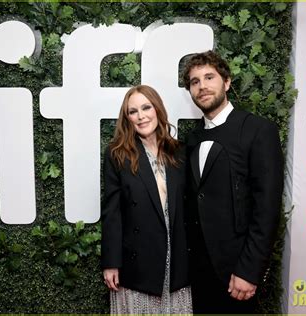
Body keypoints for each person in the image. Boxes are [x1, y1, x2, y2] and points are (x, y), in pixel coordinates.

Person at [182, 51, 284, 314]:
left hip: (237, 274)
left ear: (226, 82)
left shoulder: (259, 130)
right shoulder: (191, 139)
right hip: (199, 274)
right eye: (194, 82)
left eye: (209, 77)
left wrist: (249, 271)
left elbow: (267, 209)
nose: (202, 86)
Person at [101, 85, 192, 314]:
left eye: (146, 107)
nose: (141, 116)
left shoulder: (179, 151)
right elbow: (112, 212)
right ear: (127, 118)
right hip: (137, 262)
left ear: (157, 109)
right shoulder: (117, 154)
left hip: (177, 257)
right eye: (133, 111)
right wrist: (111, 262)